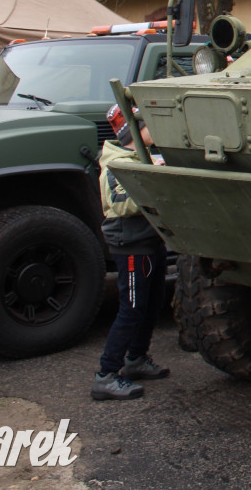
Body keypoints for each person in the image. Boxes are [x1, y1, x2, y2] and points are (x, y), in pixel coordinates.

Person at [91, 105, 170, 401]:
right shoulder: (118, 162)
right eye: (149, 125)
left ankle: (136, 358)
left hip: (150, 241)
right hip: (132, 245)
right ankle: (106, 374)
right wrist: (154, 180)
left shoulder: (142, 156)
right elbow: (122, 203)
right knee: (132, 308)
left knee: (151, 304)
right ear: (134, 131)